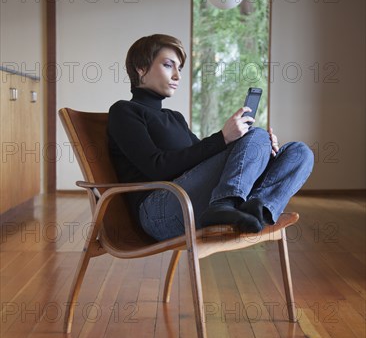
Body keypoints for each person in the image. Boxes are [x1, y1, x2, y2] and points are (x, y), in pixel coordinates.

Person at [108, 34, 314, 242]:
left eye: (179, 68)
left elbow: (203, 161)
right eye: (169, 65)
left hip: (191, 203)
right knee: (256, 134)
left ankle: (258, 212)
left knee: (300, 152)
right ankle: (223, 205)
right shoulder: (124, 111)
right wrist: (224, 138)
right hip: (159, 213)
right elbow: (157, 167)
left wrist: (262, 153)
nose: (177, 76)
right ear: (140, 68)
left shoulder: (175, 118)